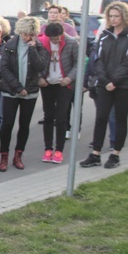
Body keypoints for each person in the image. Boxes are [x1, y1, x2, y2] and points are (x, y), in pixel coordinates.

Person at [80, 2, 128, 169]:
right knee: (101, 117)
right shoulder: (105, 35)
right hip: (104, 84)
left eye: (117, 16)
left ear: (124, 17)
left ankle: (115, 154)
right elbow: (97, 59)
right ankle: (96, 154)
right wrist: (106, 81)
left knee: (120, 119)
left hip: (123, 85)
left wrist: (115, 81)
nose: (113, 19)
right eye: (111, 16)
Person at [0, 17, 49, 172]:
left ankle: (18, 155)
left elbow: (41, 66)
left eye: (31, 34)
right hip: (11, 90)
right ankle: (4, 156)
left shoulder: (39, 47)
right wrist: (18, 87)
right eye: (26, 34)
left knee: (24, 125)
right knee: (7, 124)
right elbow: (4, 68)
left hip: (30, 92)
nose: (28, 37)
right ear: (20, 32)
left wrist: (33, 48)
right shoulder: (9, 45)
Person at [37, 22, 79, 164]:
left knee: (61, 117)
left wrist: (69, 78)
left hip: (64, 85)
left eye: (56, 39)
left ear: (61, 34)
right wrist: (40, 77)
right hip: (47, 84)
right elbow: (36, 63)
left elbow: (79, 63)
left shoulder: (71, 43)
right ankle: (48, 149)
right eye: (51, 39)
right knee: (48, 116)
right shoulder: (42, 43)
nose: (54, 41)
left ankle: (59, 150)